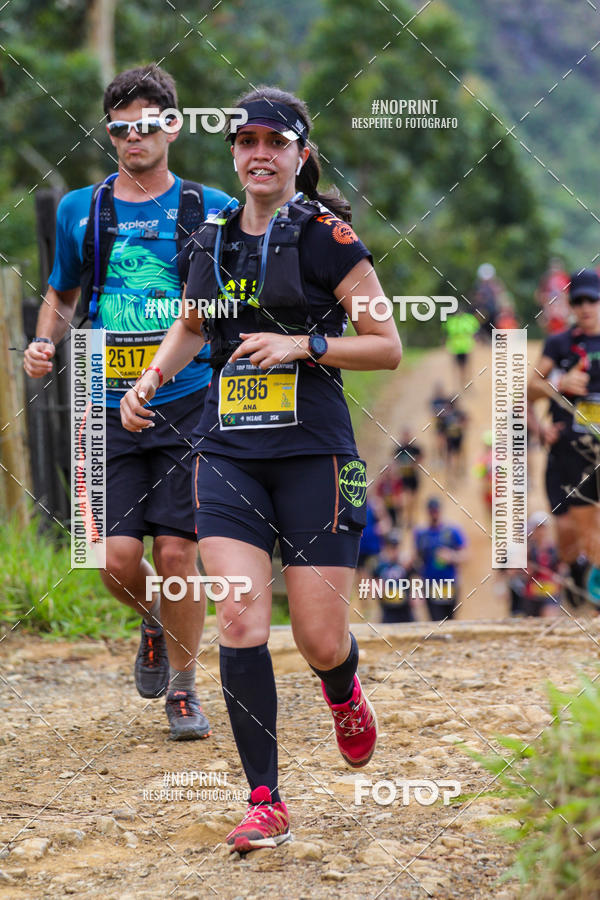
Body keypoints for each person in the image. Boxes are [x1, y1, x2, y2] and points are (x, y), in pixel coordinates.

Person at [120, 85, 402, 853]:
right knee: (241, 617)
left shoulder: (328, 239)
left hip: (315, 453)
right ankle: (265, 800)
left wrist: (303, 345)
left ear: (300, 156)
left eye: (275, 143)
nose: (259, 154)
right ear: (234, 155)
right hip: (230, 453)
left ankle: (342, 688)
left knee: (316, 636)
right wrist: (147, 382)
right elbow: (189, 324)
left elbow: (386, 346)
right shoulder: (209, 240)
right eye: (246, 142)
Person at [23, 65, 231, 740]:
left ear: (172, 125)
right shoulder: (81, 208)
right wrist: (43, 343)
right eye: (120, 128)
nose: (133, 137)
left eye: (147, 124)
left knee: (177, 554)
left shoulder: (211, 207)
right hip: (106, 401)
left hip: (190, 398)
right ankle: (153, 619)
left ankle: (184, 689)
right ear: (109, 133)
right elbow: (61, 290)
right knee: (115, 560)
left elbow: (245, 288)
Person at [528, 269, 600, 607]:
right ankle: (575, 572)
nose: (585, 307)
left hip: (594, 456)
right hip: (564, 455)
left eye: (592, 300)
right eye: (579, 301)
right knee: (569, 537)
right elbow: (528, 390)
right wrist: (559, 384)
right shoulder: (559, 344)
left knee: (593, 531)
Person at [413, 497, 467, 621]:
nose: (434, 514)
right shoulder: (421, 534)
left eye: (436, 511)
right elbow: (417, 560)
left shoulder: (452, 531)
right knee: (435, 620)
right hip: (430, 584)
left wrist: (452, 556)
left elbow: (465, 554)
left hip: (449, 583)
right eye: (431, 511)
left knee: (450, 619)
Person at [523, 512, 562, 618]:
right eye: (538, 528)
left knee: (549, 619)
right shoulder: (528, 549)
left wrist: (560, 576)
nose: (541, 531)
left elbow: (561, 568)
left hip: (550, 592)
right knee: (533, 625)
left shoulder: (554, 549)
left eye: (543, 527)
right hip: (532, 594)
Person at [372, 532, 415, 623]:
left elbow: (415, 578)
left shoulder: (405, 564)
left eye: (396, 547)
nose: (394, 550)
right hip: (388, 609)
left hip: (405, 609)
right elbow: (374, 582)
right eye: (391, 547)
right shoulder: (380, 565)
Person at [443, 304, 479, 392]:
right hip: (456, 347)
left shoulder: (467, 319)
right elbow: (447, 333)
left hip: (465, 347)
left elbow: (475, 330)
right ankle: (460, 385)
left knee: (466, 366)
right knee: (459, 367)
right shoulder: (451, 321)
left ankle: (467, 384)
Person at [393, 428, 423, 529]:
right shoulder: (399, 449)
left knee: (413, 501)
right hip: (403, 478)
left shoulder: (415, 448)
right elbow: (395, 461)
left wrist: (412, 465)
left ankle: (411, 519)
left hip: (413, 477)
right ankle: (404, 519)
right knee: (404, 500)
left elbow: (420, 459)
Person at [536, 258, 570, 335]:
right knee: (545, 322)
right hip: (550, 305)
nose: (555, 269)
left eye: (557, 267)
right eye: (553, 267)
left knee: (564, 325)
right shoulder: (546, 279)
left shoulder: (565, 278)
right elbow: (540, 294)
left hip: (561, 306)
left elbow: (568, 294)